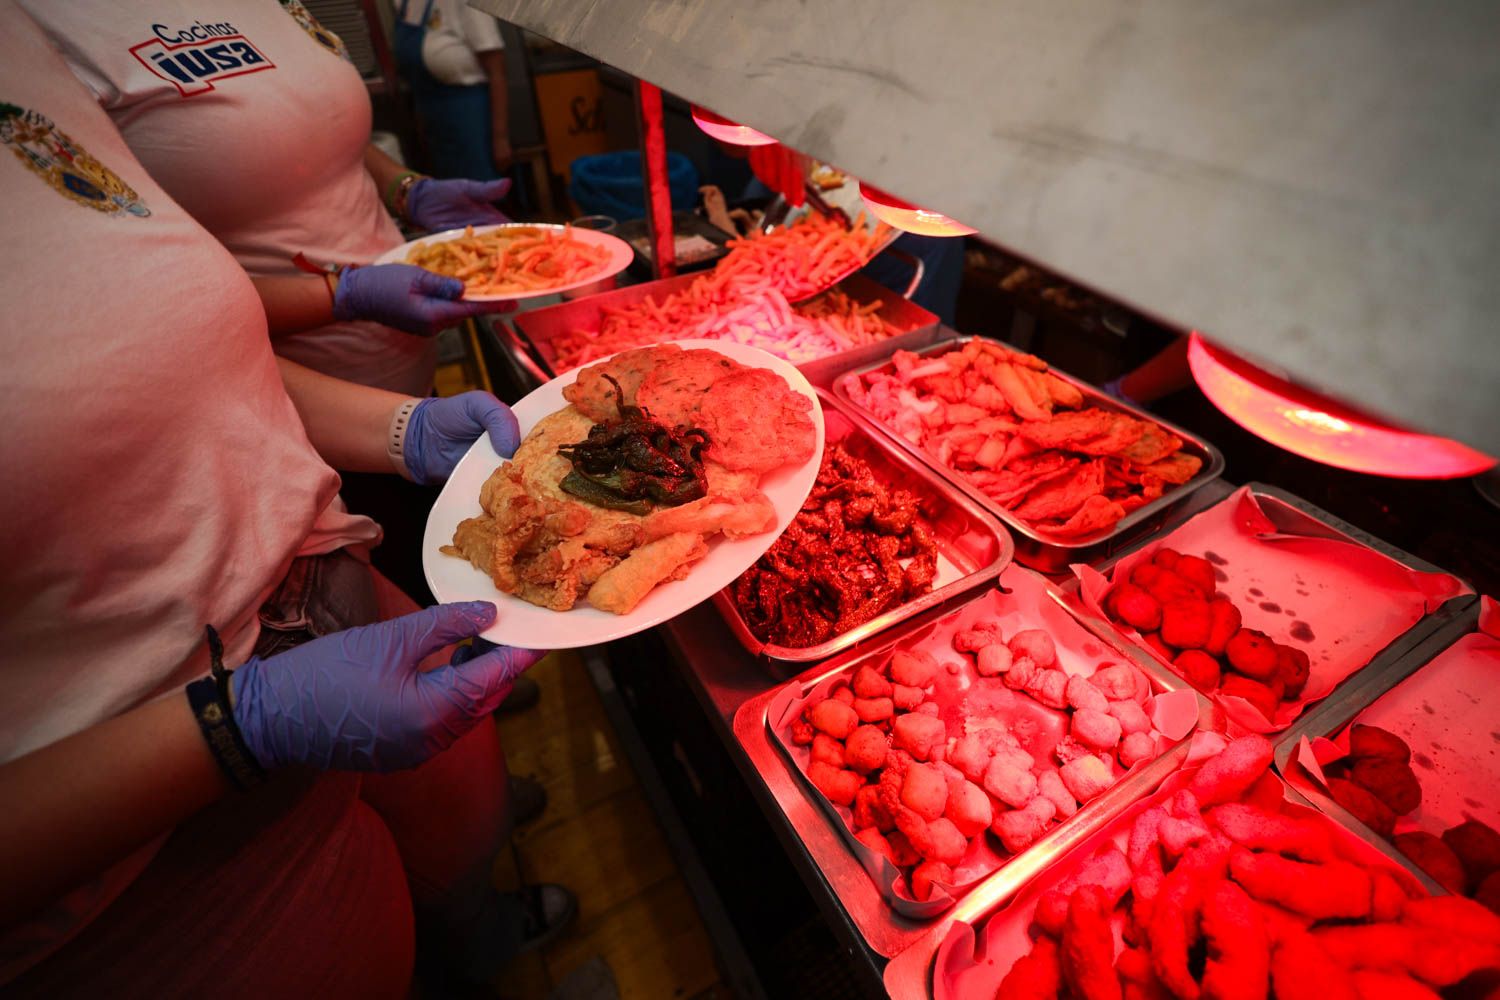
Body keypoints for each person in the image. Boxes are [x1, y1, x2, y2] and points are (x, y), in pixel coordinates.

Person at [0, 6, 570, 993]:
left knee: (455, 836)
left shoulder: (19, 47)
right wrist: (242, 722)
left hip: (309, 572)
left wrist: (398, 428)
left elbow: (164, 350)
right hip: (133, 827)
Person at [20, 0, 522, 610]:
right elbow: (126, 296)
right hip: (283, 419)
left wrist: (403, 187)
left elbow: (306, 116)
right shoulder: (43, 32)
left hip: (394, 386)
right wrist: (343, 296)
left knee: (440, 576)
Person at [394, 0, 514, 181]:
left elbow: (497, 71)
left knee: (482, 192)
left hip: (469, 116)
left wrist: (500, 139)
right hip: (431, 118)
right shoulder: (401, 3)